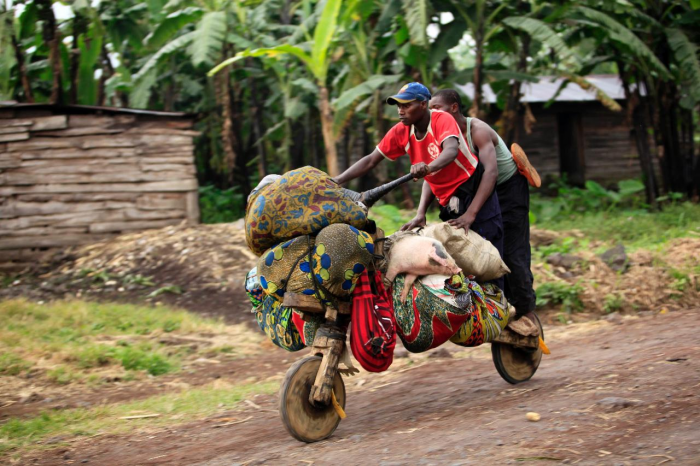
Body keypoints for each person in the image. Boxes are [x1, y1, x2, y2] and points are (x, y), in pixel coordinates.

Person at [333, 82, 505, 290]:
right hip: (448, 202)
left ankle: (500, 312)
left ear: (424, 104)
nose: (400, 111)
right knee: (462, 261)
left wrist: (470, 213)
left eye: (406, 105)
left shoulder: (442, 119)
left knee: (487, 257)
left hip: (472, 189)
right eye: (398, 106)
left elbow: (450, 151)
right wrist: (337, 181)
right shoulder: (400, 132)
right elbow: (371, 160)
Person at [427, 88, 539, 322]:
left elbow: (491, 172)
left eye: (437, 108)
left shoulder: (476, 129)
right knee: (482, 254)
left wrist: (471, 214)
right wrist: (420, 213)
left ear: (454, 108)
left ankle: (527, 313)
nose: (433, 114)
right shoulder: (438, 134)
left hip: (506, 189)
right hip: (476, 192)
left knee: (511, 253)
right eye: (430, 110)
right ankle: (496, 309)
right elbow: (432, 172)